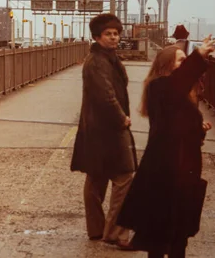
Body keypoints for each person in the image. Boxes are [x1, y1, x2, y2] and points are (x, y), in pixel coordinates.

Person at [117, 35, 215, 258]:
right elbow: (175, 88)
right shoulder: (160, 86)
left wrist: (199, 128)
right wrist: (198, 56)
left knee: (177, 234)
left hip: (181, 168)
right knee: (160, 235)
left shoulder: (179, 92)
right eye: (180, 60)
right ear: (166, 65)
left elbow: (178, 125)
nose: (185, 64)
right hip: (165, 169)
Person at [70, 13, 137, 250]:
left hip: (97, 130)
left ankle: (97, 229)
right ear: (97, 37)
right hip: (108, 129)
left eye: (116, 33)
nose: (113, 37)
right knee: (124, 176)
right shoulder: (98, 62)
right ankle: (116, 232)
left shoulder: (106, 58)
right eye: (108, 34)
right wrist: (122, 119)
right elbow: (107, 96)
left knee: (97, 177)